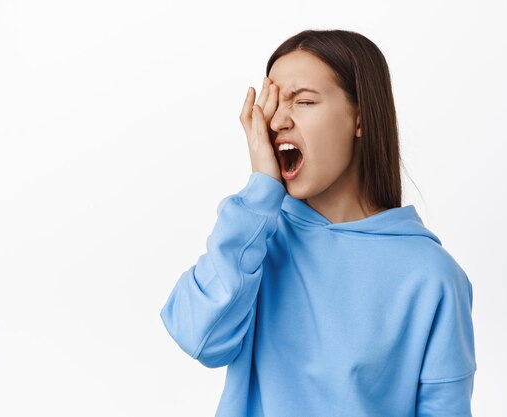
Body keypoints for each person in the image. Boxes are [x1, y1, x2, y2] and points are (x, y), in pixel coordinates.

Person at [159, 29, 477, 417]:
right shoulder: (256, 240)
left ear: (360, 118)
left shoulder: (432, 275)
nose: (278, 121)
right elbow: (200, 338)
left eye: (304, 101)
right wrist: (261, 191)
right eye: (272, 104)